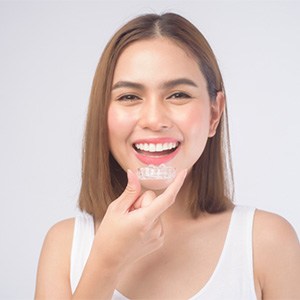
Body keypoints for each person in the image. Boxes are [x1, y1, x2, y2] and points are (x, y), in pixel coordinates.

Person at [35, 13, 300, 299]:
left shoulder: (268, 242)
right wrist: (105, 263)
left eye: (178, 95)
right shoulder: (64, 246)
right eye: (129, 97)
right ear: (102, 114)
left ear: (214, 114)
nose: (153, 119)